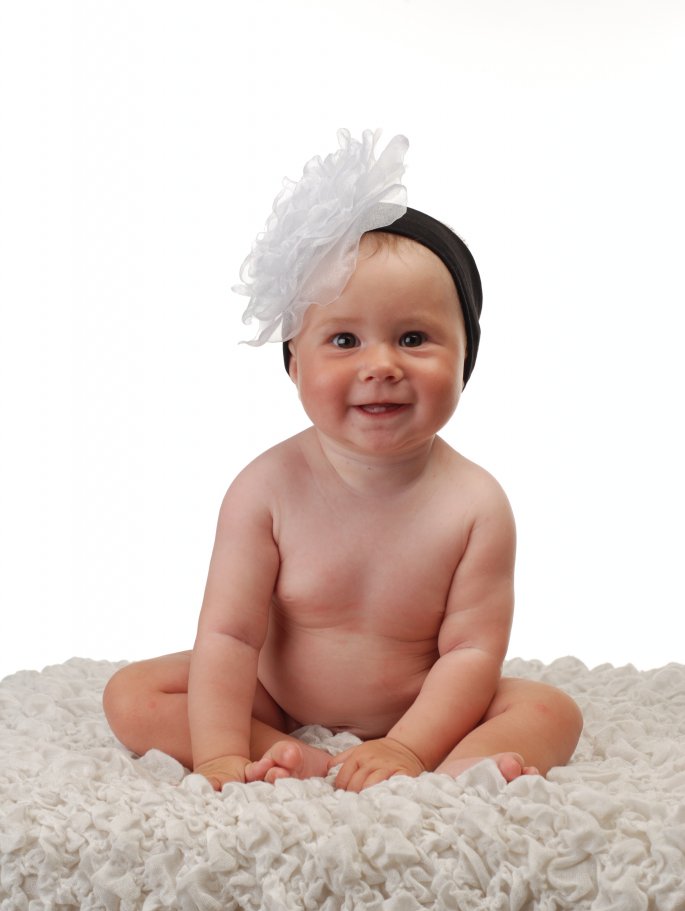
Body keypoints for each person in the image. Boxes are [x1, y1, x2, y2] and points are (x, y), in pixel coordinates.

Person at [103, 130, 582, 792]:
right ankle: (296, 757)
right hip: (276, 700)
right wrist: (218, 754)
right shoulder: (265, 489)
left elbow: (470, 651)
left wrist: (407, 745)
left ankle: (443, 771)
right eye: (344, 340)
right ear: (294, 364)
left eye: (413, 337)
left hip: (422, 709)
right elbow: (230, 638)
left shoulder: (475, 504)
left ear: (464, 358)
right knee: (132, 695)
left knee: (551, 711)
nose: (380, 365)